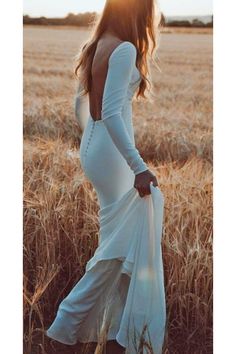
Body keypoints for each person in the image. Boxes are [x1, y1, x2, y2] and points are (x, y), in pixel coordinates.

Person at [46, 1, 166, 353]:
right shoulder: (126, 48)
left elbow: (82, 103)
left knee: (118, 242)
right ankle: (67, 327)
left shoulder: (97, 44)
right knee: (119, 249)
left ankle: (116, 334)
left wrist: (90, 140)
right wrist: (138, 166)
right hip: (114, 158)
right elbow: (113, 112)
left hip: (96, 149)